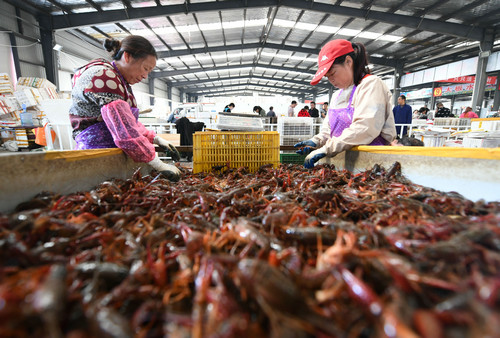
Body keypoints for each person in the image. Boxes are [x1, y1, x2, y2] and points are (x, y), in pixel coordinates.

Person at [69, 35, 181, 181]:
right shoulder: (105, 76)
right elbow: (125, 131)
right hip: (96, 153)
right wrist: (157, 163)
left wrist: (156, 138)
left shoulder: (119, 80)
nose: (145, 76)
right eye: (145, 68)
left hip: (109, 150)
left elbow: (128, 122)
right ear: (127, 56)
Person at [294, 39, 396, 168]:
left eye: (333, 73)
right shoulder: (337, 95)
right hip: (341, 161)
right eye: (327, 77)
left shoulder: (370, 85)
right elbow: (328, 130)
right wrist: (316, 141)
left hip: (370, 163)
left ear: (348, 62)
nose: (331, 80)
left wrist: (326, 149)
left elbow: (364, 128)